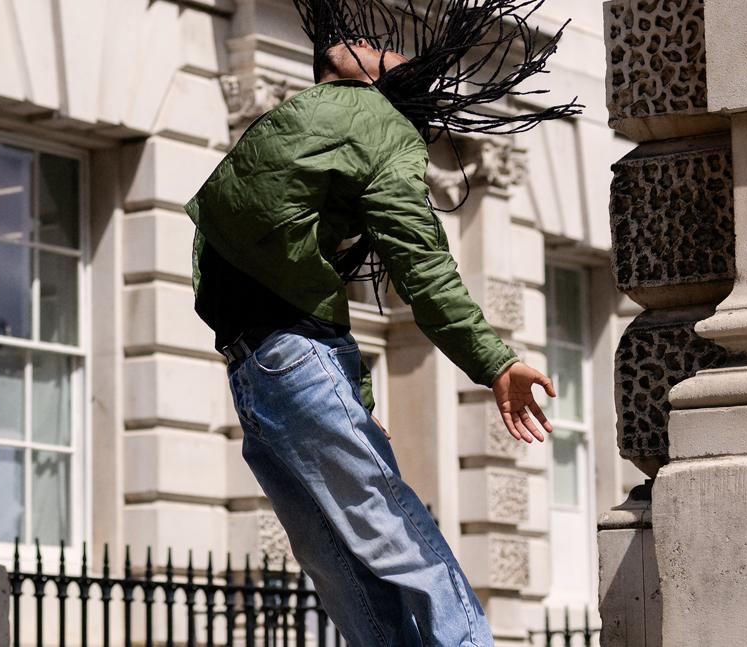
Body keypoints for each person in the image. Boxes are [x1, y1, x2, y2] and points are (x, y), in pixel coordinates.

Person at [187, 1, 579, 645]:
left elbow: (423, 265)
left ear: (392, 83)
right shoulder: (325, 122)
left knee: (388, 526)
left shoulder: (383, 128)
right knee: (330, 556)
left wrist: (495, 361)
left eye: (383, 48)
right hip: (263, 372)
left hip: (288, 360)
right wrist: (359, 399)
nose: (366, 37)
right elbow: (313, 291)